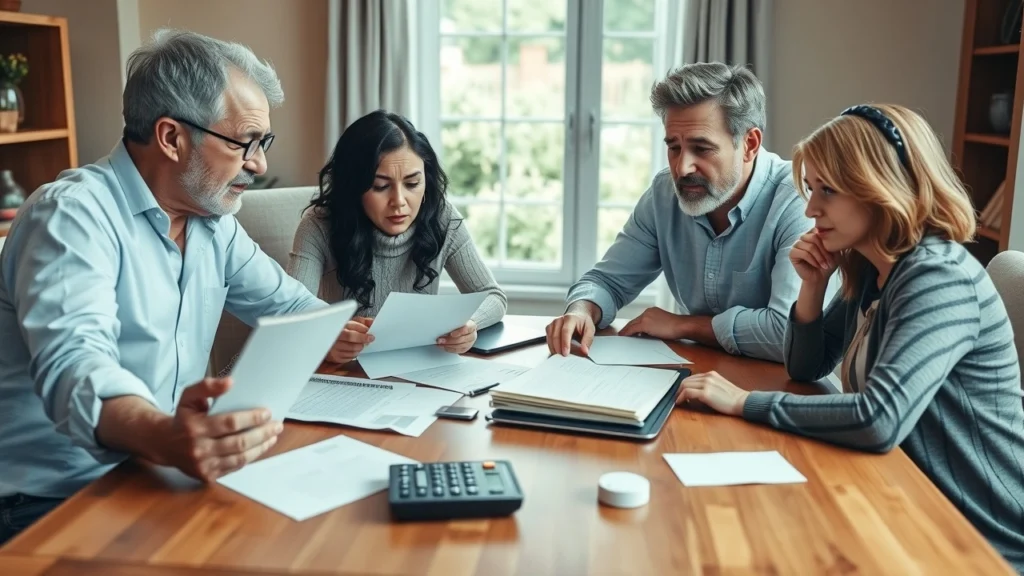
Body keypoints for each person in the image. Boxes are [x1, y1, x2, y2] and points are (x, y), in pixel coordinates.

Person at [0, 30, 350, 544]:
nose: (259, 164)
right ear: (170, 137)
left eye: (263, 142)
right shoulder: (72, 216)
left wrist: (368, 331)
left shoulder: (213, 223)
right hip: (53, 502)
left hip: (155, 471)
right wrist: (166, 436)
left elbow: (295, 309)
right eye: (244, 142)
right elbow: (76, 366)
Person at [676, 104, 1024, 571]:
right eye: (811, 188)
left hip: (976, 540)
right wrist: (813, 287)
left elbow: (878, 419)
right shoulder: (874, 267)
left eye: (828, 190)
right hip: (903, 497)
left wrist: (743, 402)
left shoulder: (938, 278)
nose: (810, 208)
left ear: (880, 188)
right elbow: (805, 367)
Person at [546, 62, 832, 362]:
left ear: (749, 144)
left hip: (778, 388)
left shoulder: (798, 200)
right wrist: (581, 310)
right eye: (674, 148)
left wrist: (684, 326)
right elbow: (608, 282)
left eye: (702, 148)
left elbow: (786, 333)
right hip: (700, 375)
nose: (682, 168)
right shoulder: (663, 194)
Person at [287, 110, 507, 363]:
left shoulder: (442, 217)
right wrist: (326, 340)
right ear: (353, 187)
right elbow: (291, 316)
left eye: (412, 184)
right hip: (345, 373)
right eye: (380, 186)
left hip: (418, 370)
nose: (399, 202)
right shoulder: (318, 225)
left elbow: (494, 296)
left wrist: (469, 325)